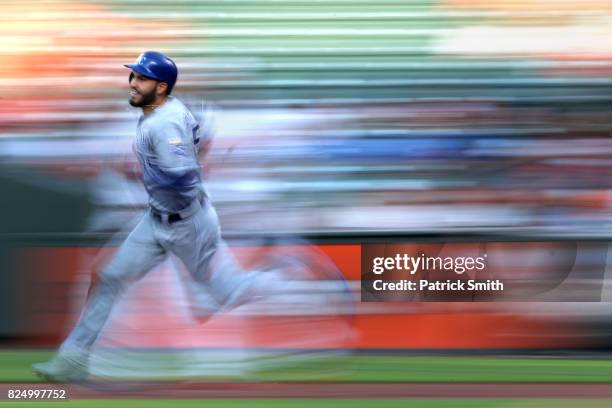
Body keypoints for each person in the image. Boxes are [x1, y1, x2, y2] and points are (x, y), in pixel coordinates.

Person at [32, 51, 282, 382]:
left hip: (188, 223)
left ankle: (285, 280)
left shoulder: (165, 122)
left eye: (142, 78)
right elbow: (194, 145)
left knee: (226, 292)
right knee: (108, 278)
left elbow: (183, 177)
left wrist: (138, 171)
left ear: (161, 87)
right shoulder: (158, 113)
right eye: (133, 76)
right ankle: (72, 361)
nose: (133, 83)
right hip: (156, 221)